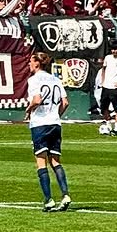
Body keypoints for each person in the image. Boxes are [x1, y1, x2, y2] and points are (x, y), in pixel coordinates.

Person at [25, 51, 71, 212]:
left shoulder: (34, 80)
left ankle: (48, 200)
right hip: (55, 124)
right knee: (56, 161)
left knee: (41, 161)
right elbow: (65, 102)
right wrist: (56, 116)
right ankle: (65, 195)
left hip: (40, 124)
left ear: (37, 64)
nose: (29, 64)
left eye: (30, 61)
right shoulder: (56, 80)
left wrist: (29, 109)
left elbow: (37, 100)